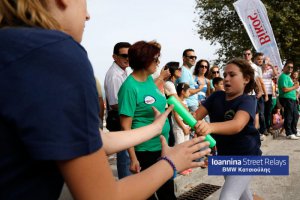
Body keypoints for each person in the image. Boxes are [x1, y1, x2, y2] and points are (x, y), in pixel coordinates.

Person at [0, 1, 211, 200]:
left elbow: (94, 139)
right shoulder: (57, 54)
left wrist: (155, 129)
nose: (88, 15)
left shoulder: (14, 48)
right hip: (150, 154)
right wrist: (172, 162)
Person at [194, 58, 262, 200]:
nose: (226, 79)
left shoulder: (248, 100)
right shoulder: (216, 96)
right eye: (225, 75)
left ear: (246, 79)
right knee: (244, 196)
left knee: (228, 197)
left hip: (246, 157)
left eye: (232, 75)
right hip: (225, 155)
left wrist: (209, 127)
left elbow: (237, 125)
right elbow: (195, 117)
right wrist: (173, 109)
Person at [118, 40, 178, 199]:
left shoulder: (150, 80)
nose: (158, 63)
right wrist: (133, 158)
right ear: (145, 60)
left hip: (162, 147)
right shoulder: (129, 87)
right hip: (144, 151)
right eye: (156, 59)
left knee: (168, 194)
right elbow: (125, 128)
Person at [104, 42, 132, 179]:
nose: (128, 58)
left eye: (130, 55)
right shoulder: (115, 75)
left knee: (126, 155)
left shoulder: (122, 72)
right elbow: (115, 104)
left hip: (123, 117)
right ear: (114, 57)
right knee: (125, 155)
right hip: (119, 118)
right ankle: (126, 186)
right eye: (124, 55)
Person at [244, 49, 265, 141]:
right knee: (245, 114)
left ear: (251, 55)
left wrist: (260, 91)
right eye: (245, 54)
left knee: (255, 113)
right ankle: (248, 133)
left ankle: (256, 132)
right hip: (243, 93)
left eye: (248, 54)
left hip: (252, 93)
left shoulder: (256, 67)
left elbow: (259, 80)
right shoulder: (241, 65)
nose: (246, 55)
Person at [278, 61, 300, 140]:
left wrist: (294, 87)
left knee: (295, 115)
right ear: (284, 68)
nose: (290, 69)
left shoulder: (288, 76)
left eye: (291, 67)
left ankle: (294, 131)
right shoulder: (283, 76)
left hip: (292, 99)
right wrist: (295, 87)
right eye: (289, 67)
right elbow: (284, 89)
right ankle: (289, 133)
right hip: (286, 98)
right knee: (289, 116)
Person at [174, 83, 192, 175]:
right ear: (182, 92)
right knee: (179, 147)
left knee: (186, 147)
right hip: (179, 128)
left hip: (185, 127)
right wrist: (183, 127)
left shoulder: (185, 102)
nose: (190, 93)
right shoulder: (176, 102)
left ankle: (184, 165)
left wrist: (187, 126)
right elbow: (176, 116)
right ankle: (178, 167)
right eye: (188, 91)